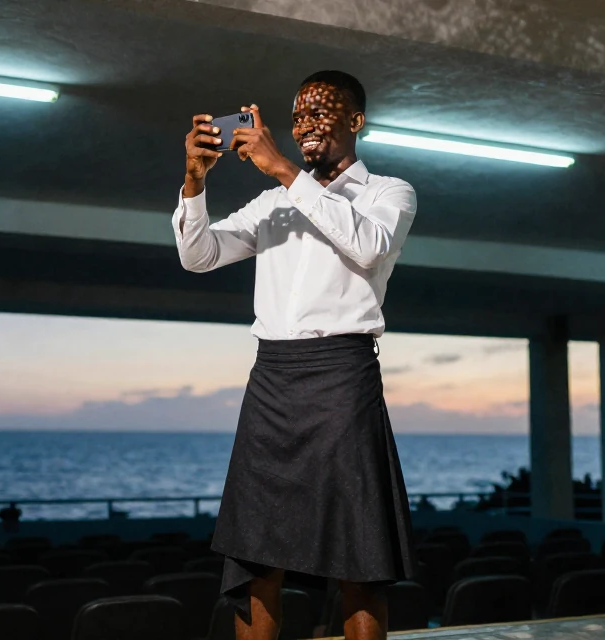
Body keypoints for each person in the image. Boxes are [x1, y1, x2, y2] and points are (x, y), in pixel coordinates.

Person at [173, 70, 417, 640]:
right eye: (298, 116)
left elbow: (366, 246)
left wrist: (284, 170)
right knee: (255, 558)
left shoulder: (389, 193)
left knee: (359, 561)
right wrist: (193, 182)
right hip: (273, 382)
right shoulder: (271, 206)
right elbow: (199, 255)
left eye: (320, 113)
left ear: (356, 122)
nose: (305, 125)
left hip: (342, 379)